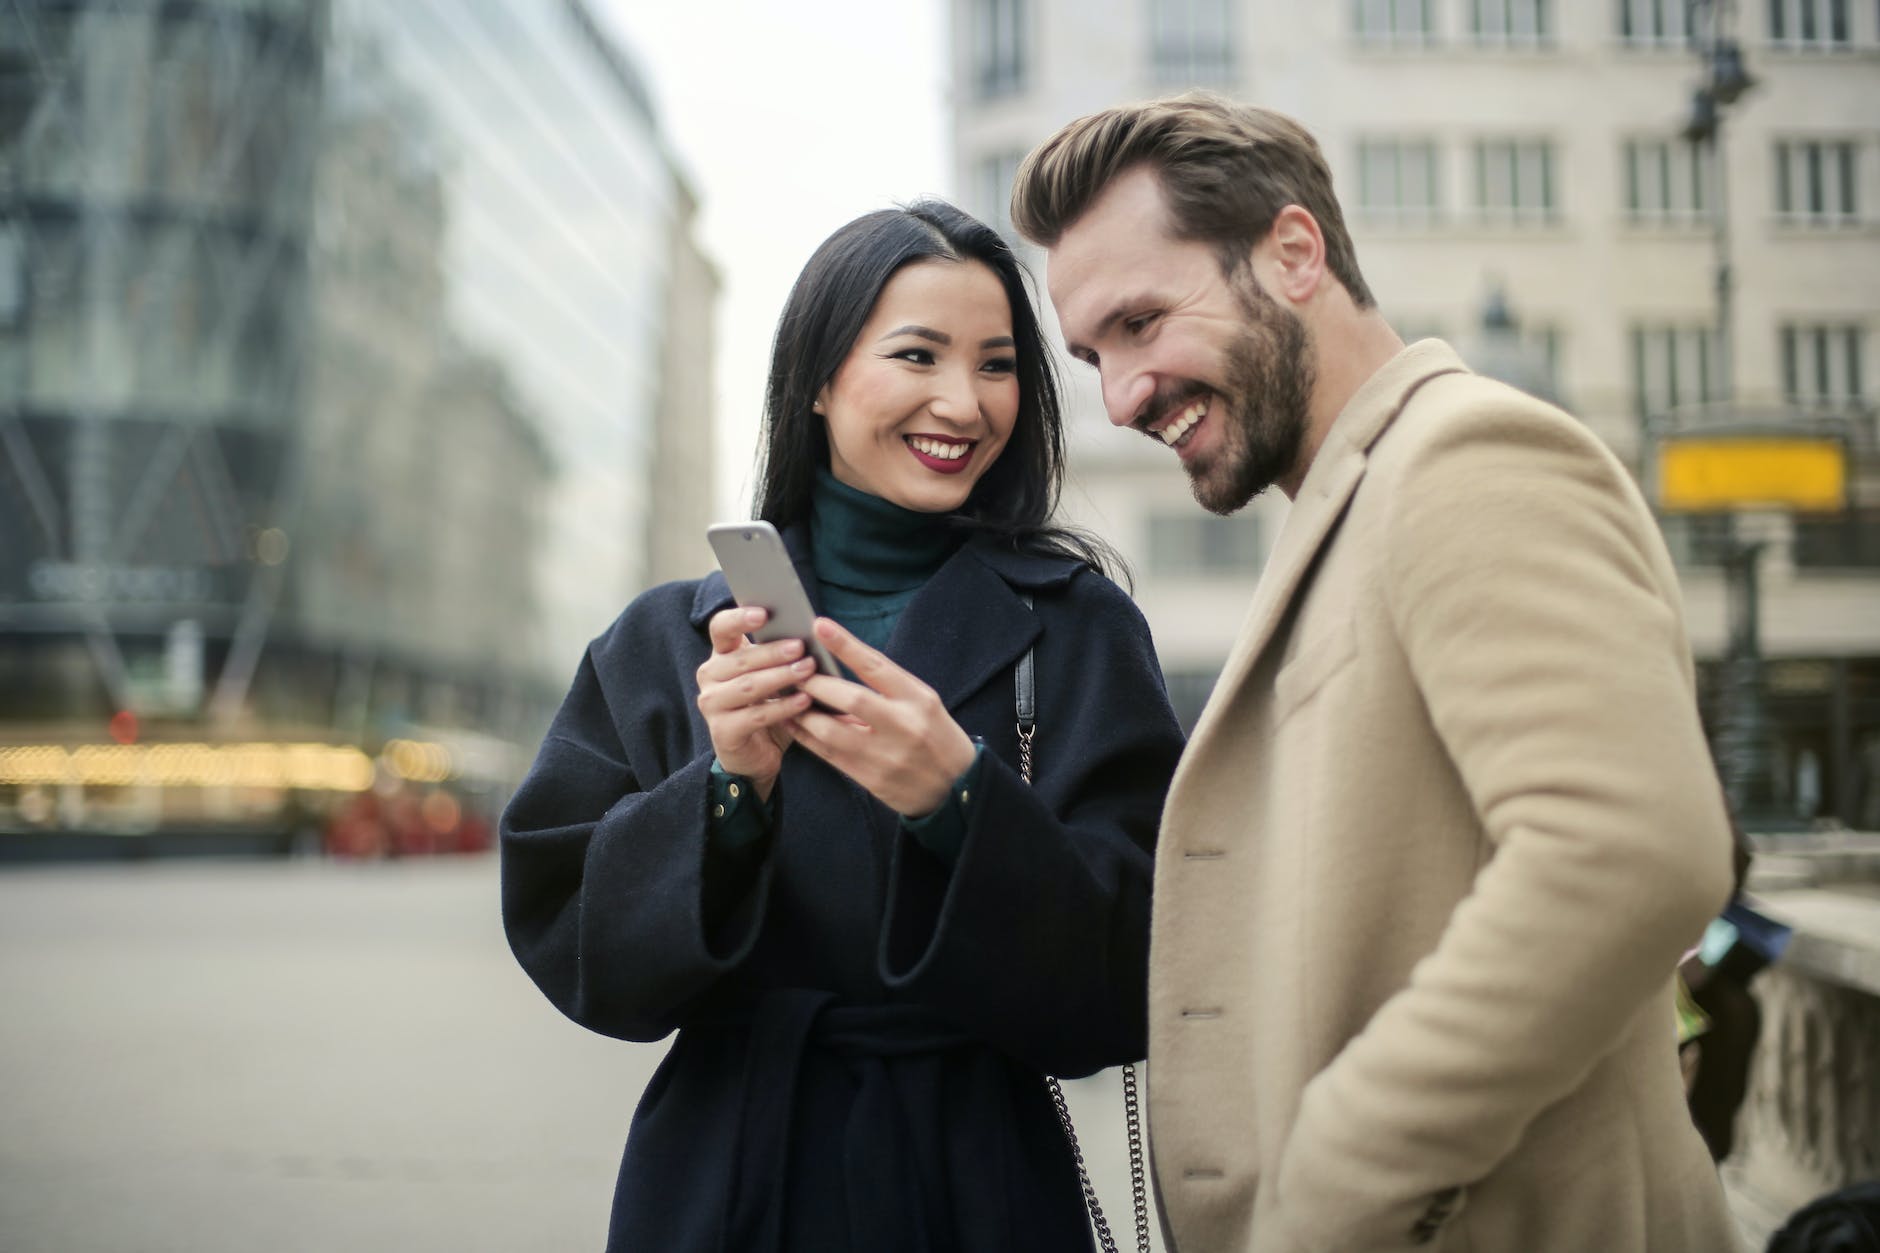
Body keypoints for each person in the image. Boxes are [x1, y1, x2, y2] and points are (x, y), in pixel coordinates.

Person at [1011, 92, 1741, 1253]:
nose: (1121, 394)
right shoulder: (1350, 505)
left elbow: (1628, 849)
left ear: (1292, 253)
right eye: (1095, 354)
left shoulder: (1461, 455)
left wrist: (1340, 1181)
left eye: (1142, 322)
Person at [500, 199, 1183, 1252]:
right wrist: (727, 789)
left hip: (979, 1181)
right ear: (817, 379)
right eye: (917, 354)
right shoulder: (666, 641)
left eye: (997, 365)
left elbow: (1141, 962)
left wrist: (958, 799)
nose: (962, 401)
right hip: (728, 1173)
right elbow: (572, 939)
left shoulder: (1078, 626)